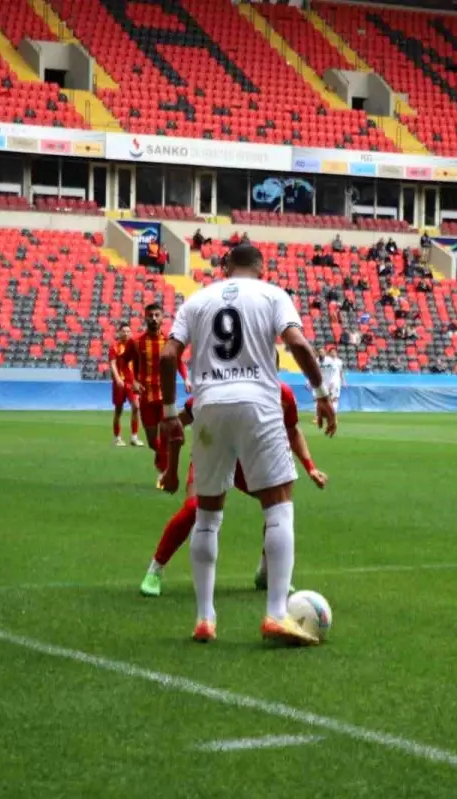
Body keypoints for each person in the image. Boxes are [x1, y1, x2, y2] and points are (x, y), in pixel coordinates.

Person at [157, 243, 337, 645]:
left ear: (224, 267)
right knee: (278, 507)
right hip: (258, 403)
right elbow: (300, 346)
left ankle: (205, 618)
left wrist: (170, 414)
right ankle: (275, 613)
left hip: (209, 407)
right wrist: (322, 394)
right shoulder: (273, 294)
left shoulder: (197, 300)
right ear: (261, 267)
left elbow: (168, 357)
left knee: (207, 515)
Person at [140, 381, 327, 597]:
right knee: (193, 508)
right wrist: (168, 466)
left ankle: (266, 572)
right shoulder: (220, 389)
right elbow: (175, 425)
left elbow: (292, 429)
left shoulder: (282, 393)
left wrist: (310, 467)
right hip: (213, 455)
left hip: (249, 462)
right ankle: (156, 568)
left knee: (278, 508)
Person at [123, 303, 188, 476]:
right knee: (153, 442)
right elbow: (123, 362)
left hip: (166, 397)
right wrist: (132, 382)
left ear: (163, 318)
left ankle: (164, 471)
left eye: (156, 315)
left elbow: (178, 361)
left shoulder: (169, 341)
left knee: (165, 437)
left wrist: (187, 378)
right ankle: (162, 460)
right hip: (146, 397)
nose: (153, 318)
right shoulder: (136, 342)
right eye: (150, 315)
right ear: (145, 317)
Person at [107, 325, 142, 447]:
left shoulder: (135, 347)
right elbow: (112, 364)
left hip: (132, 382)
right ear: (119, 333)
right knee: (118, 410)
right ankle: (117, 437)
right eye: (124, 331)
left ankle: (134, 437)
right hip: (120, 383)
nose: (126, 333)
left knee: (136, 406)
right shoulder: (114, 347)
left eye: (128, 331)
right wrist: (117, 379)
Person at [319, 343, 345, 415]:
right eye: (332, 352)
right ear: (329, 353)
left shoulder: (339, 361)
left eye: (335, 352)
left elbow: (341, 372)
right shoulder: (326, 361)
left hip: (336, 382)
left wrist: (343, 381)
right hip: (325, 382)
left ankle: (334, 415)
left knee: (335, 398)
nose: (334, 353)